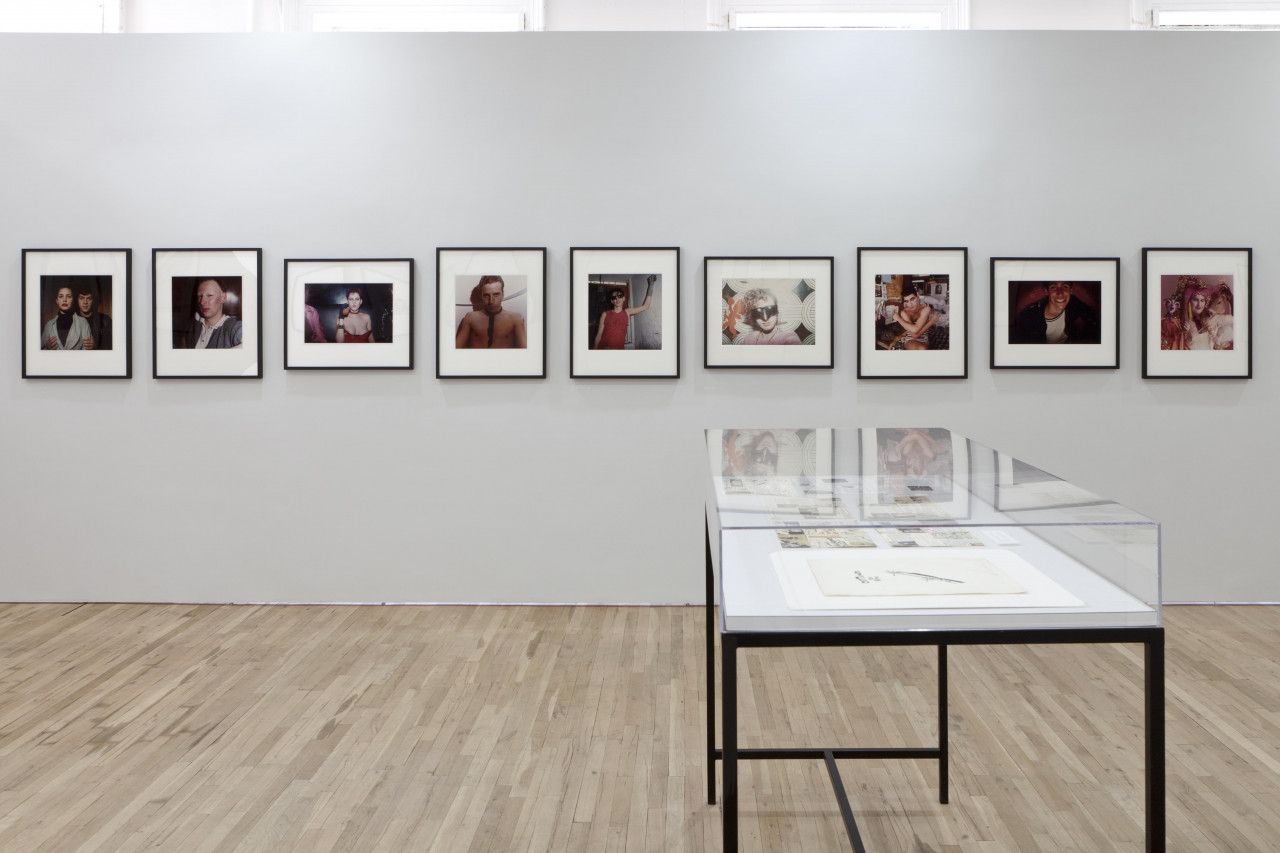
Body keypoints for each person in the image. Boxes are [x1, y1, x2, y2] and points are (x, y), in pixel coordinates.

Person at [1011, 281, 1100, 344]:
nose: (1060, 293)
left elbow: (1092, 317)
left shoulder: (1073, 302)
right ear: (1046, 291)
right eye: (1053, 287)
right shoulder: (1028, 316)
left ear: (1071, 290)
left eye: (1065, 286)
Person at [456, 275, 527, 349]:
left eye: (496, 294)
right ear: (481, 296)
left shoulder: (515, 318)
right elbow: (457, 349)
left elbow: (524, 351)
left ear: (503, 294)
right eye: (486, 295)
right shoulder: (470, 317)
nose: (491, 301)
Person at [593, 283, 653, 350]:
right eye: (614, 298)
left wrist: (651, 286)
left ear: (623, 298)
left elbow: (646, 306)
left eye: (619, 296)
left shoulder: (627, 312)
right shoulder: (605, 314)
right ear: (612, 301)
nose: (617, 299)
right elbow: (598, 336)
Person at [188, 278, 243, 349]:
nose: (202, 302)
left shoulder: (233, 327)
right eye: (200, 296)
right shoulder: (196, 321)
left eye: (209, 295)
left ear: (223, 297)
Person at [1181, 280, 1233, 350]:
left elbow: (1236, 320)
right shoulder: (1182, 322)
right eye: (1195, 300)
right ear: (1189, 302)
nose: (1199, 304)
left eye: (1202, 300)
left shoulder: (1214, 319)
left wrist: (1231, 300)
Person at [41, 285, 92, 350]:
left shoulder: (83, 322)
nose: (64, 300)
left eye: (69, 296)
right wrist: (47, 348)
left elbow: (87, 351)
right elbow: (41, 350)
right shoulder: (49, 325)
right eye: (61, 296)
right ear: (57, 300)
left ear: (73, 300)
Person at [890, 283, 937, 350]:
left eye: (912, 299)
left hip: (924, 339)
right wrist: (932, 322)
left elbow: (916, 331)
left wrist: (899, 319)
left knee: (924, 350)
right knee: (922, 349)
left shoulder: (926, 308)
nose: (910, 304)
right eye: (907, 301)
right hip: (910, 339)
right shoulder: (904, 312)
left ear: (917, 297)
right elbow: (914, 334)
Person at [75, 280, 111, 350]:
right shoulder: (72, 320)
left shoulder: (105, 320)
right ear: (77, 300)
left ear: (93, 300)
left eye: (89, 298)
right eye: (81, 298)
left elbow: (114, 347)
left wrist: (97, 345)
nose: (85, 302)